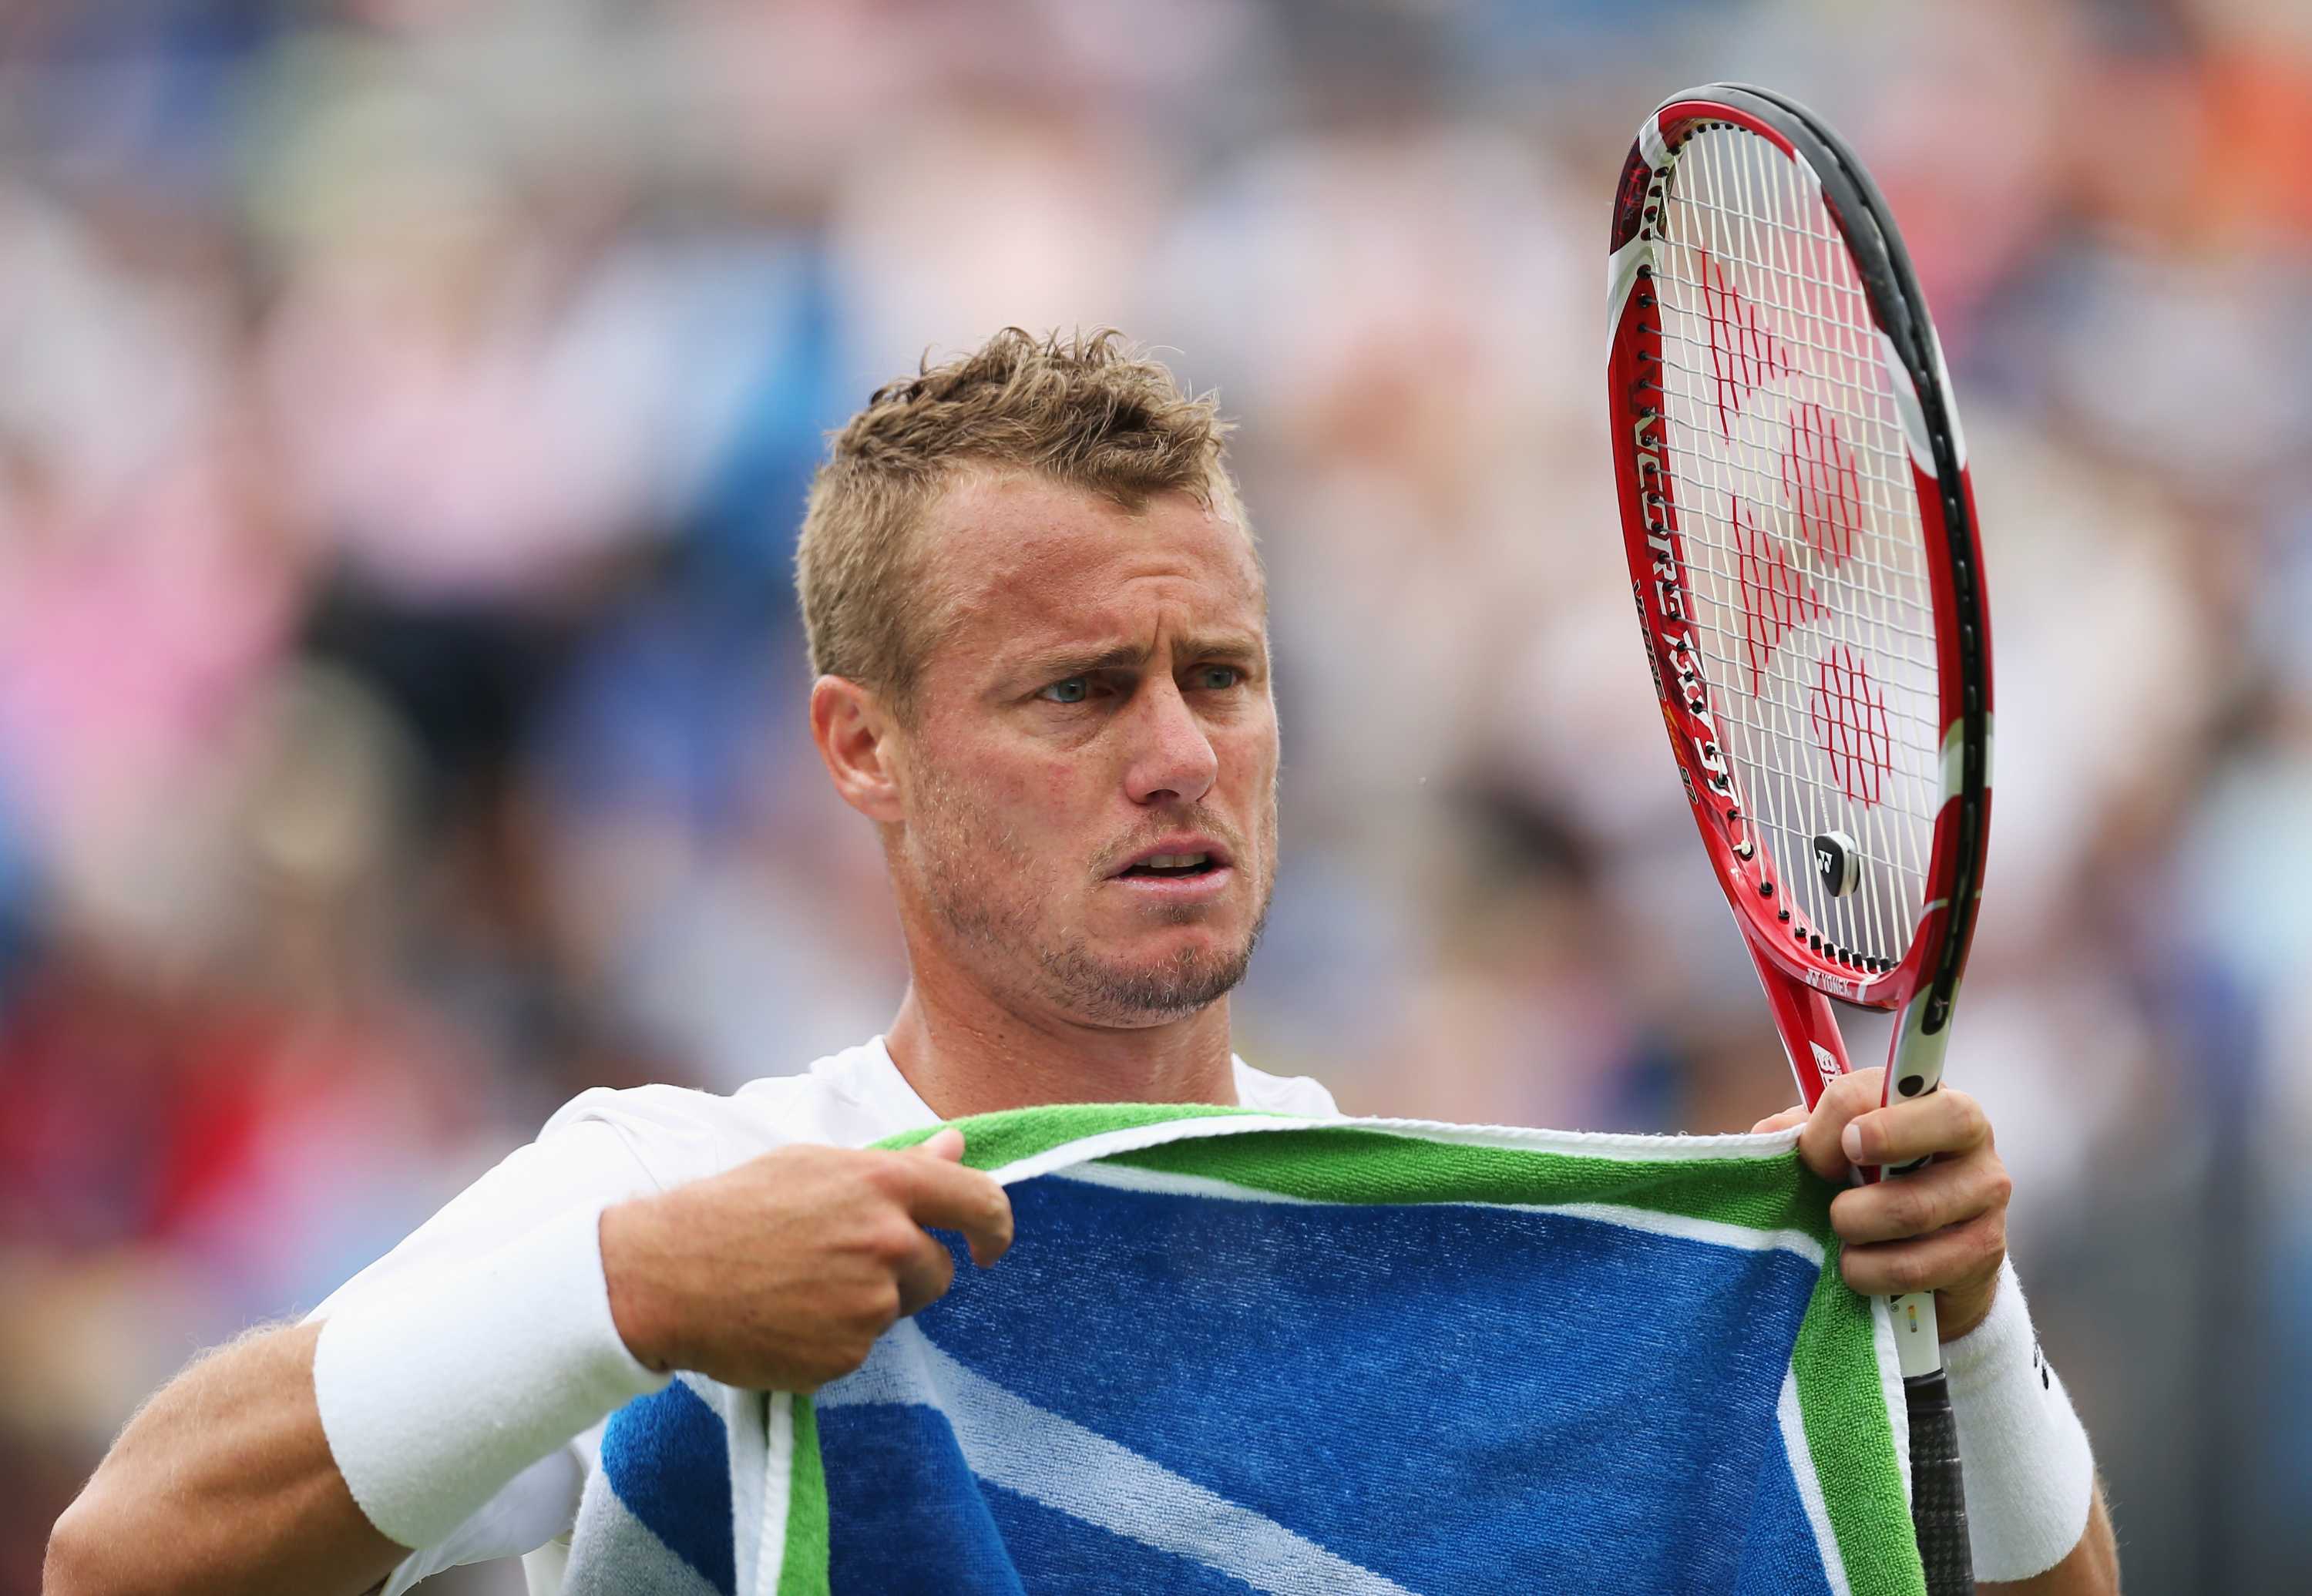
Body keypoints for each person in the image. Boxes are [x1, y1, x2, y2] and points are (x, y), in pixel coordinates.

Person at [44, 329, 2119, 1594]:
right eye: (1075, 692)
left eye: (1220, 674)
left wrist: (1968, 1324)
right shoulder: (686, 1195)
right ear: (862, 747)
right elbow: (127, 1558)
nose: (1177, 757)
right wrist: (637, 1295)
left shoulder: (1463, 1246)